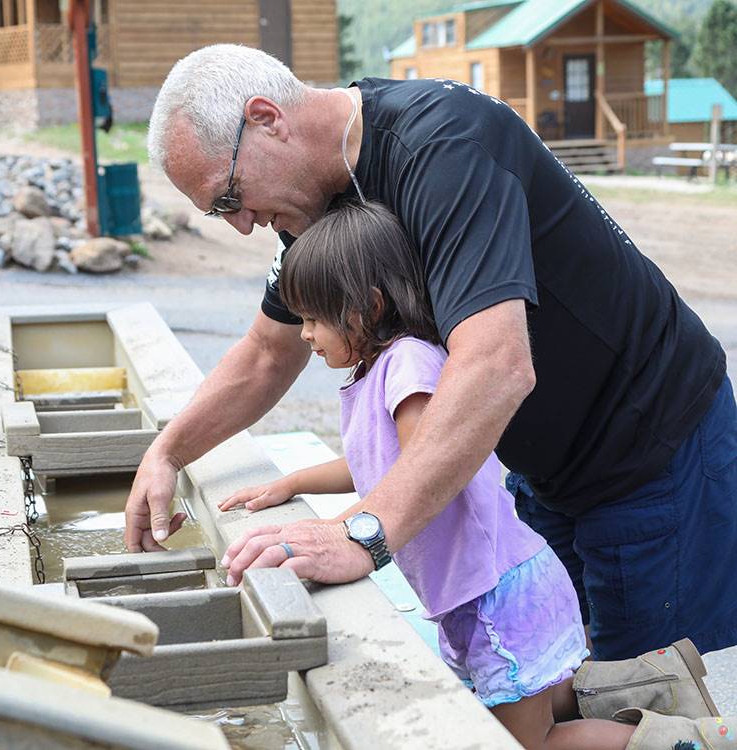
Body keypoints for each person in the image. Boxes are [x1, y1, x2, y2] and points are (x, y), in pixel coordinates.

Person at [127, 44, 737, 665]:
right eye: (216, 213)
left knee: (659, 696)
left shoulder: (446, 145)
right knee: (556, 681)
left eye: (228, 197)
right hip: (546, 471)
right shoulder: (305, 206)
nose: (240, 226)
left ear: (266, 119)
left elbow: (495, 365)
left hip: (655, 450)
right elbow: (266, 352)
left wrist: (363, 533)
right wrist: (168, 452)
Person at [216, 198, 716, 750]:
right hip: (479, 594)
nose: (305, 334)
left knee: (532, 743)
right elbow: (373, 466)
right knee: (539, 713)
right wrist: (292, 483)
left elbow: (420, 469)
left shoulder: (406, 363)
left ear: (366, 307)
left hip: (498, 598)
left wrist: (340, 531)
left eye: (313, 318)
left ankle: (691, 742)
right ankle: (665, 696)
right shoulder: (375, 370)